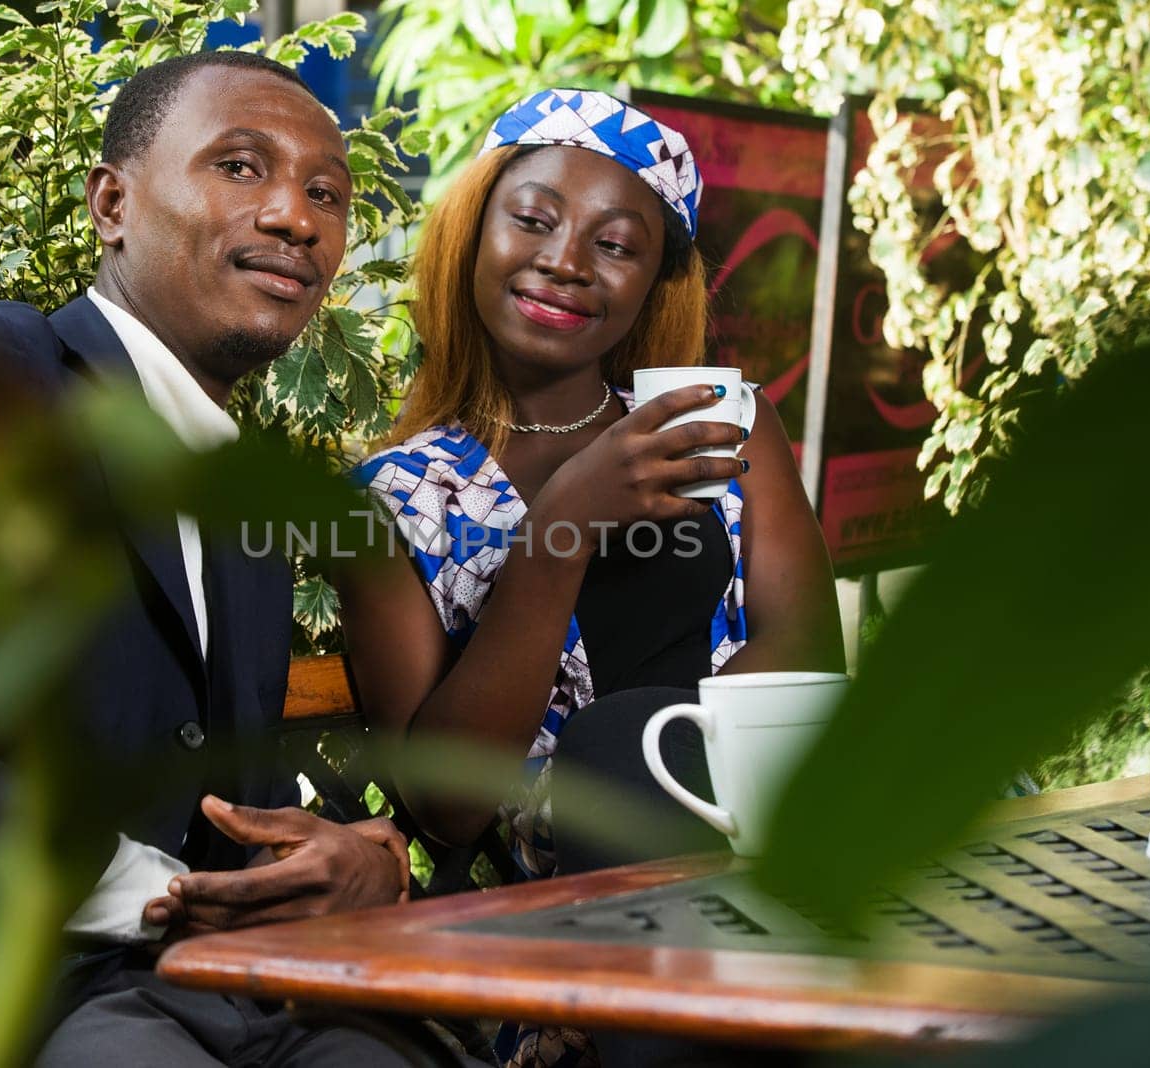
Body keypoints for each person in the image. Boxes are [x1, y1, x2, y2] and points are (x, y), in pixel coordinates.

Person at [0, 52, 478, 1068]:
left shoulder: (241, 508)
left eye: (327, 193)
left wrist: (364, 859)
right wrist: (174, 900)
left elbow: (208, 801)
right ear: (112, 202)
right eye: (240, 166)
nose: (294, 216)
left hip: (174, 990)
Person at [340, 90, 846, 1066]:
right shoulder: (395, 493)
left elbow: (805, 649)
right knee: (613, 747)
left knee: (635, 740)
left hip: (765, 829)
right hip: (572, 910)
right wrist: (560, 530)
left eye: (615, 244)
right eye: (532, 219)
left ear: (656, 282)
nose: (566, 261)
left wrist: (673, 762)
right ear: (471, 231)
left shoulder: (721, 425)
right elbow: (443, 806)